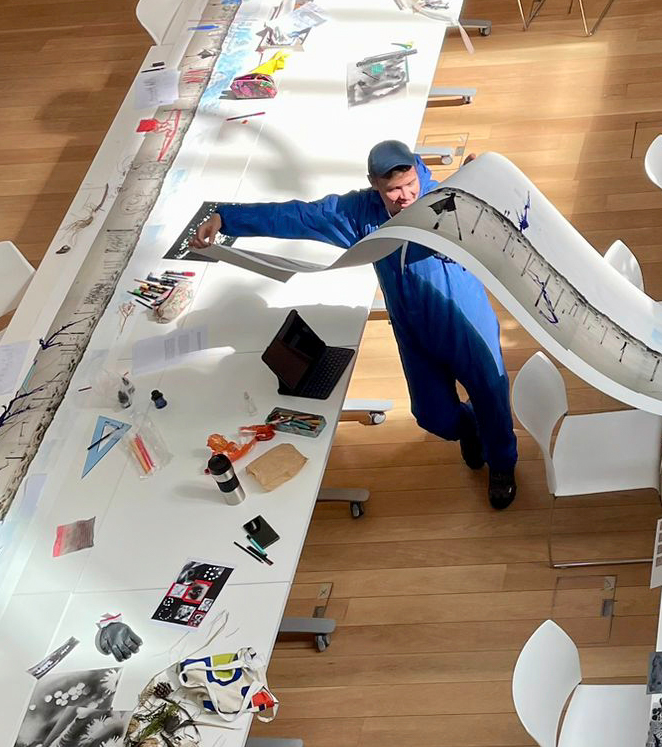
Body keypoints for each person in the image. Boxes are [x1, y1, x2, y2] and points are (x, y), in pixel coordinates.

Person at [193, 139, 517, 509]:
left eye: (410, 182)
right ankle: (469, 429)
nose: (404, 195)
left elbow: (506, 210)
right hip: (412, 331)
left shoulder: (448, 198)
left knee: (490, 393)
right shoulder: (358, 215)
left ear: (417, 169)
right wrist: (226, 218)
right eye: (392, 189)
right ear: (373, 183)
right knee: (432, 416)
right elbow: (297, 216)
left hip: (464, 321)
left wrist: (483, 181)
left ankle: (503, 465)